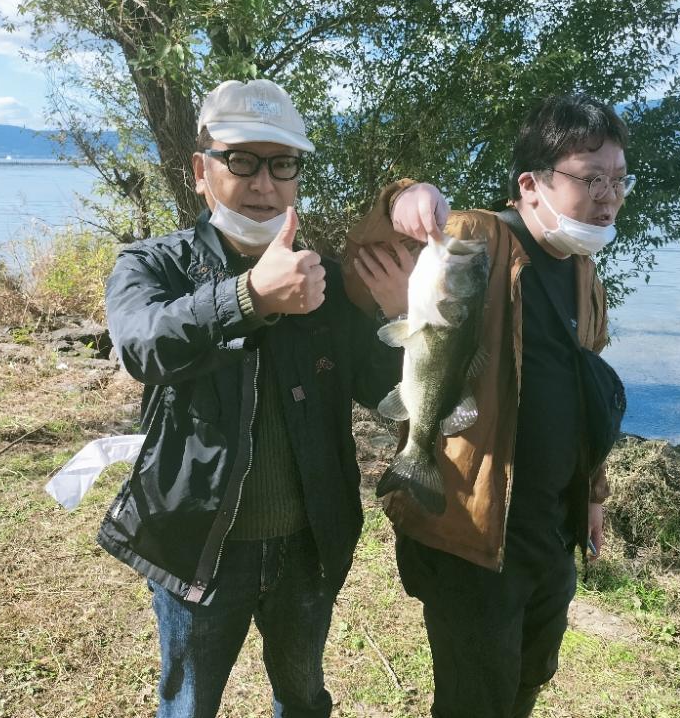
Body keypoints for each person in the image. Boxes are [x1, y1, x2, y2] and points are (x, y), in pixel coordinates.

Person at [98, 79, 425, 718]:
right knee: (189, 704)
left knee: (303, 697)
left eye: (282, 164)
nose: (263, 182)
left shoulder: (325, 279)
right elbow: (142, 346)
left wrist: (401, 317)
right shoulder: (152, 264)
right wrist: (248, 296)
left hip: (308, 542)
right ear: (201, 171)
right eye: (241, 160)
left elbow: (384, 389)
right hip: (198, 542)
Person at [343, 93, 634, 718]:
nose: (608, 195)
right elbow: (362, 261)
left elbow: (584, 399)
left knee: (530, 675)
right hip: (473, 530)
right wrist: (402, 197)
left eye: (617, 179)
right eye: (591, 179)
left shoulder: (584, 273)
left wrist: (593, 492)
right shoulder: (476, 238)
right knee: (475, 698)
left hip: (550, 532)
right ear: (530, 184)